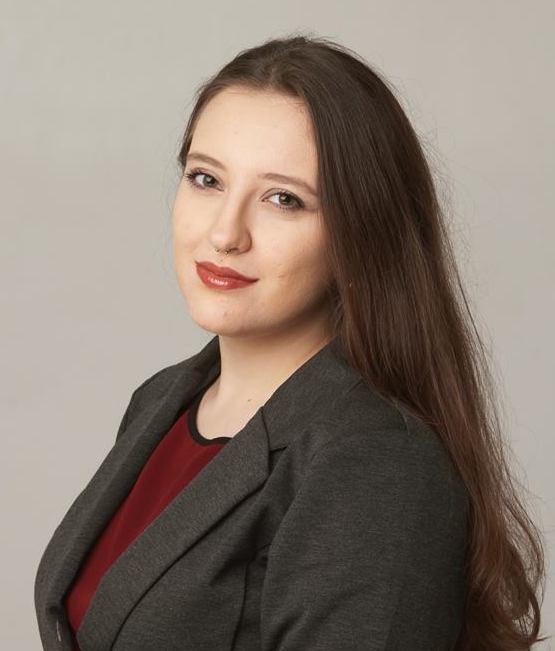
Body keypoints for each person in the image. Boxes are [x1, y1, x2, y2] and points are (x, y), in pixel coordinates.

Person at [34, 34, 548, 651]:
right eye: (206, 179)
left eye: (284, 199)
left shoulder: (376, 461)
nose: (225, 233)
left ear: (360, 233)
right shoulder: (162, 401)